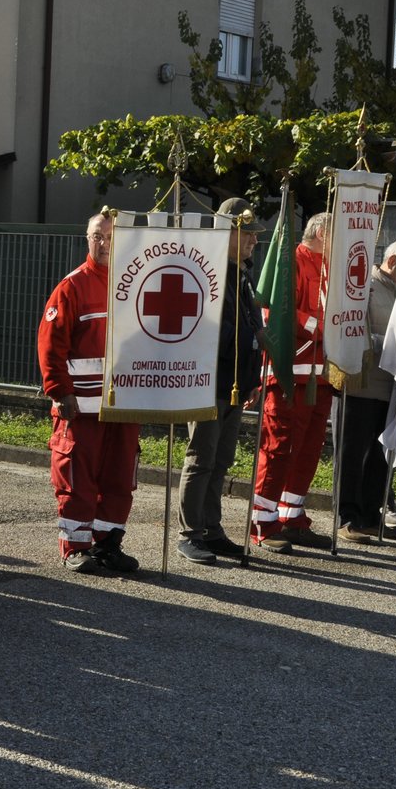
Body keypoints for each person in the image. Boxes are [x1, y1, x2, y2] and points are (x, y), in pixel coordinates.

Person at [37, 210, 140, 574]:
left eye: (110, 236)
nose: (104, 242)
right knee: (77, 478)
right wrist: (60, 392)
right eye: (97, 235)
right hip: (80, 407)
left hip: (125, 405)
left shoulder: (137, 284)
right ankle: (75, 547)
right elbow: (51, 347)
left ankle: (107, 544)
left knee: (119, 478)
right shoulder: (72, 286)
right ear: (87, 239)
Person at [175, 198, 263, 564]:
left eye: (255, 235)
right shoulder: (207, 272)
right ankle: (189, 533)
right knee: (201, 458)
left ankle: (211, 528)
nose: (253, 241)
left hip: (233, 382)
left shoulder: (241, 275)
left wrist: (251, 376)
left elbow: (247, 326)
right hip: (208, 381)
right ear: (226, 232)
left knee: (221, 459)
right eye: (247, 233)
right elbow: (209, 327)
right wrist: (254, 339)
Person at [251, 211, 334, 552]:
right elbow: (274, 310)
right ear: (320, 232)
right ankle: (263, 521)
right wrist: (319, 326)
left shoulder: (331, 266)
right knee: (279, 448)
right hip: (290, 372)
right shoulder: (292, 262)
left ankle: (292, 515)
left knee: (309, 450)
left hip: (321, 374)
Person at [334, 237, 396, 541]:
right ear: (392, 263)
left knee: (379, 455)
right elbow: (354, 331)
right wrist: (394, 348)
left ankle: (370, 515)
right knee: (352, 454)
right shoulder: (364, 286)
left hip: (389, 388)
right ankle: (346, 518)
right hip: (361, 385)